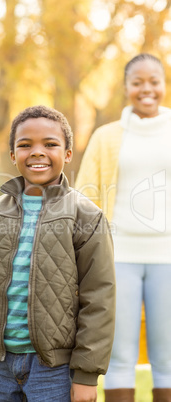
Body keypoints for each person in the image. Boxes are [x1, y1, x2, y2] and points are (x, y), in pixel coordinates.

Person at [0, 105, 115, 402]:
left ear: (67, 153)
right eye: (25, 145)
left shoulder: (86, 217)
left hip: (54, 368)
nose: (37, 152)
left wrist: (86, 375)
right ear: (13, 155)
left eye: (50, 144)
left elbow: (99, 298)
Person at [75, 53, 171, 402]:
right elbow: (84, 199)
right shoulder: (106, 136)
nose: (146, 89)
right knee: (118, 356)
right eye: (138, 82)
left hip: (168, 259)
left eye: (154, 81)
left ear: (164, 84)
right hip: (118, 259)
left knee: (167, 358)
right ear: (127, 87)